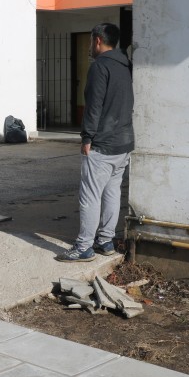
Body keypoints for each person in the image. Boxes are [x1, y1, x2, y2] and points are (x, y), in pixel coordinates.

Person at [56, 23, 135, 262]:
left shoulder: (100, 66)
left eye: (91, 41)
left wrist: (87, 137)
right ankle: (105, 241)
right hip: (123, 144)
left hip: (102, 143)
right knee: (112, 193)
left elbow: (94, 106)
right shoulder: (125, 65)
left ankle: (83, 247)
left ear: (98, 41)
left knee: (90, 196)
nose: (90, 47)